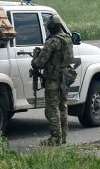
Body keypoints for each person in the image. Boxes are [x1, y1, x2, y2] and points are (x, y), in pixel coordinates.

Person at [31, 15, 74, 146]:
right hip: (65, 78)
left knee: (52, 109)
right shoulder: (67, 38)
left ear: (51, 27)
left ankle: (55, 139)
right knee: (63, 107)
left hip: (54, 80)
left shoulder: (53, 41)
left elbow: (39, 62)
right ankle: (63, 137)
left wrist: (34, 60)